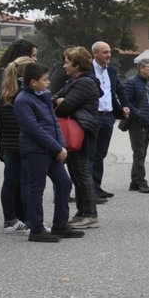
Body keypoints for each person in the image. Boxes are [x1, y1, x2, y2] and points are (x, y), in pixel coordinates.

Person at [14, 62, 84, 243]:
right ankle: (36, 229)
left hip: (53, 149)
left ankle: (60, 225)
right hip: (35, 150)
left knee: (64, 184)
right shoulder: (22, 100)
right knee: (36, 188)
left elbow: (54, 123)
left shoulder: (43, 96)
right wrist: (56, 147)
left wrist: (61, 146)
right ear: (32, 82)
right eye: (44, 80)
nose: (48, 83)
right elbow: (33, 129)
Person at [54, 46, 103, 229]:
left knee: (82, 174)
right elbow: (56, 99)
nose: (64, 65)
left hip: (82, 133)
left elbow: (65, 106)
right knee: (77, 174)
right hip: (78, 132)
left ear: (77, 64)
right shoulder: (75, 81)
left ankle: (90, 214)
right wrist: (59, 100)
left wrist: (60, 101)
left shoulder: (85, 83)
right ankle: (82, 212)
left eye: (67, 62)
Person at [0, 43, 37, 232]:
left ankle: (9, 220)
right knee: (28, 182)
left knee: (9, 181)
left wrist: (2, 145)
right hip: (26, 144)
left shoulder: (3, 95)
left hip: (9, 144)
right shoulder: (28, 95)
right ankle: (30, 220)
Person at [87, 41, 128, 198]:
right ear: (95, 53)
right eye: (105, 52)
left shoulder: (111, 71)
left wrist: (125, 105)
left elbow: (119, 89)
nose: (109, 55)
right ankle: (88, 191)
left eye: (109, 52)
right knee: (90, 153)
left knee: (101, 154)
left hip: (108, 116)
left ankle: (96, 186)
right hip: (93, 115)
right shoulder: (87, 70)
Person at [121, 58, 149, 193]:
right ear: (141, 68)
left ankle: (134, 182)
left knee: (142, 153)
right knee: (139, 152)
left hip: (148, 124)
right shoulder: (131, 82)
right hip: (137, 124)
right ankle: (142, 182)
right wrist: (138, 115)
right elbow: (126, 102)